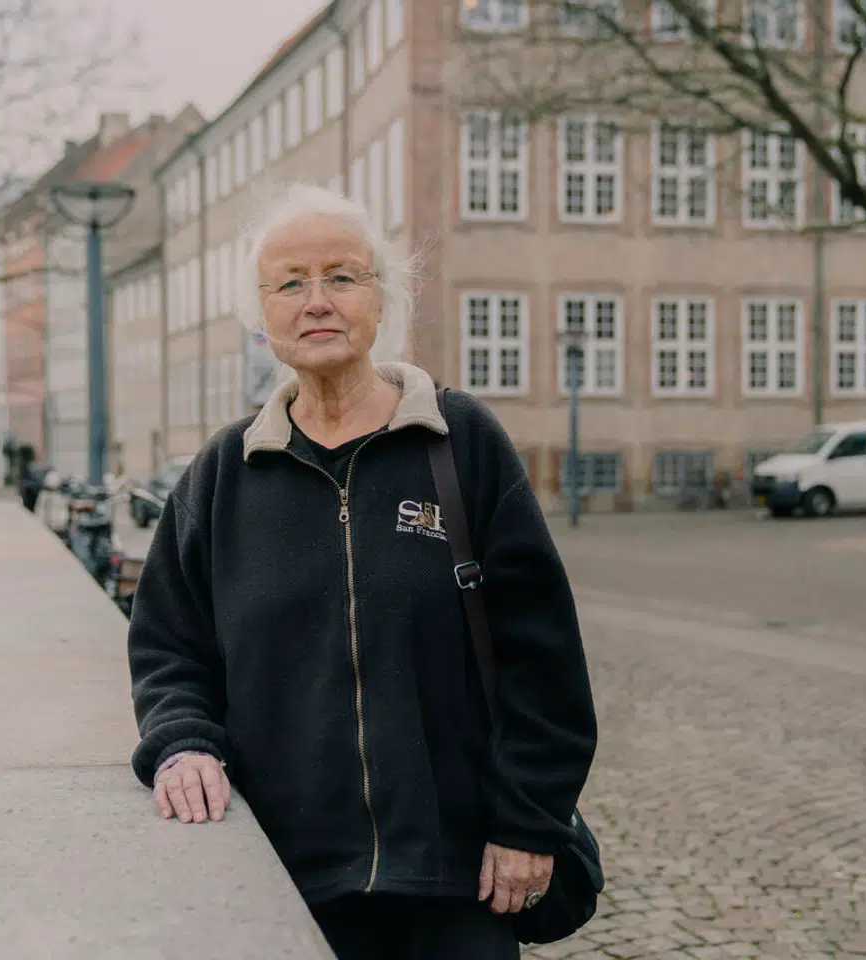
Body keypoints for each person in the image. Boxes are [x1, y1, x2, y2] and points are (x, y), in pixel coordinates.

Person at [127, 183, 598, 960]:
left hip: (459, 875)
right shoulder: (225, 473)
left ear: (382, 300)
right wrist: (182, 742)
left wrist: (527, 822)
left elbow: (542, 656)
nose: (317, 301)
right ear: (262, 315)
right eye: (290, 283)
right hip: (283, 875)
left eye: (342, 277)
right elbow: (169, 644)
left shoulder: (461, 443)